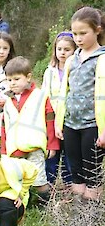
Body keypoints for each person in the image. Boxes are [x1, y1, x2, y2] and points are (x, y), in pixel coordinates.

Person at [55, 6, 105, 203]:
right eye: (75, 33)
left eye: (83, 33)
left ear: (97, 30)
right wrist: (59, 123)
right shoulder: (71, 60)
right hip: (70, 124)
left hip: (93, 125)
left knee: (92, 168)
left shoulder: (101, 58)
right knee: (74, 167)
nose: (78, 38)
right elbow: (63, 94)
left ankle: (91, 214)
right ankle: (78, 208)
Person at [0, 56, 60, 207]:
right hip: (15, 149)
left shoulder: (40, 96)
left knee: (39, 179)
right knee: (16, 180)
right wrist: (4, 150)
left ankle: (44, 207)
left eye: (16, 79)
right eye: (9, 80)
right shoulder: (8, 102)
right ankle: (23, 207)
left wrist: (52, 144)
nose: (12, 83)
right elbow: (4, 127)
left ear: (28, 77)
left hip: (34, 147)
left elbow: (50, 120)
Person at [42, 32, 76, 187]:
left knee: (69, 154)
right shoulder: (50, 72)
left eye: (67, 49)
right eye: (59, 49)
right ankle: (49, 186)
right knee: (52, 154)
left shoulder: (76, 69)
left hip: (70, 119)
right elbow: (45, 94)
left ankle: (69, 186)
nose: (63, 53)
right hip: (52, 118)